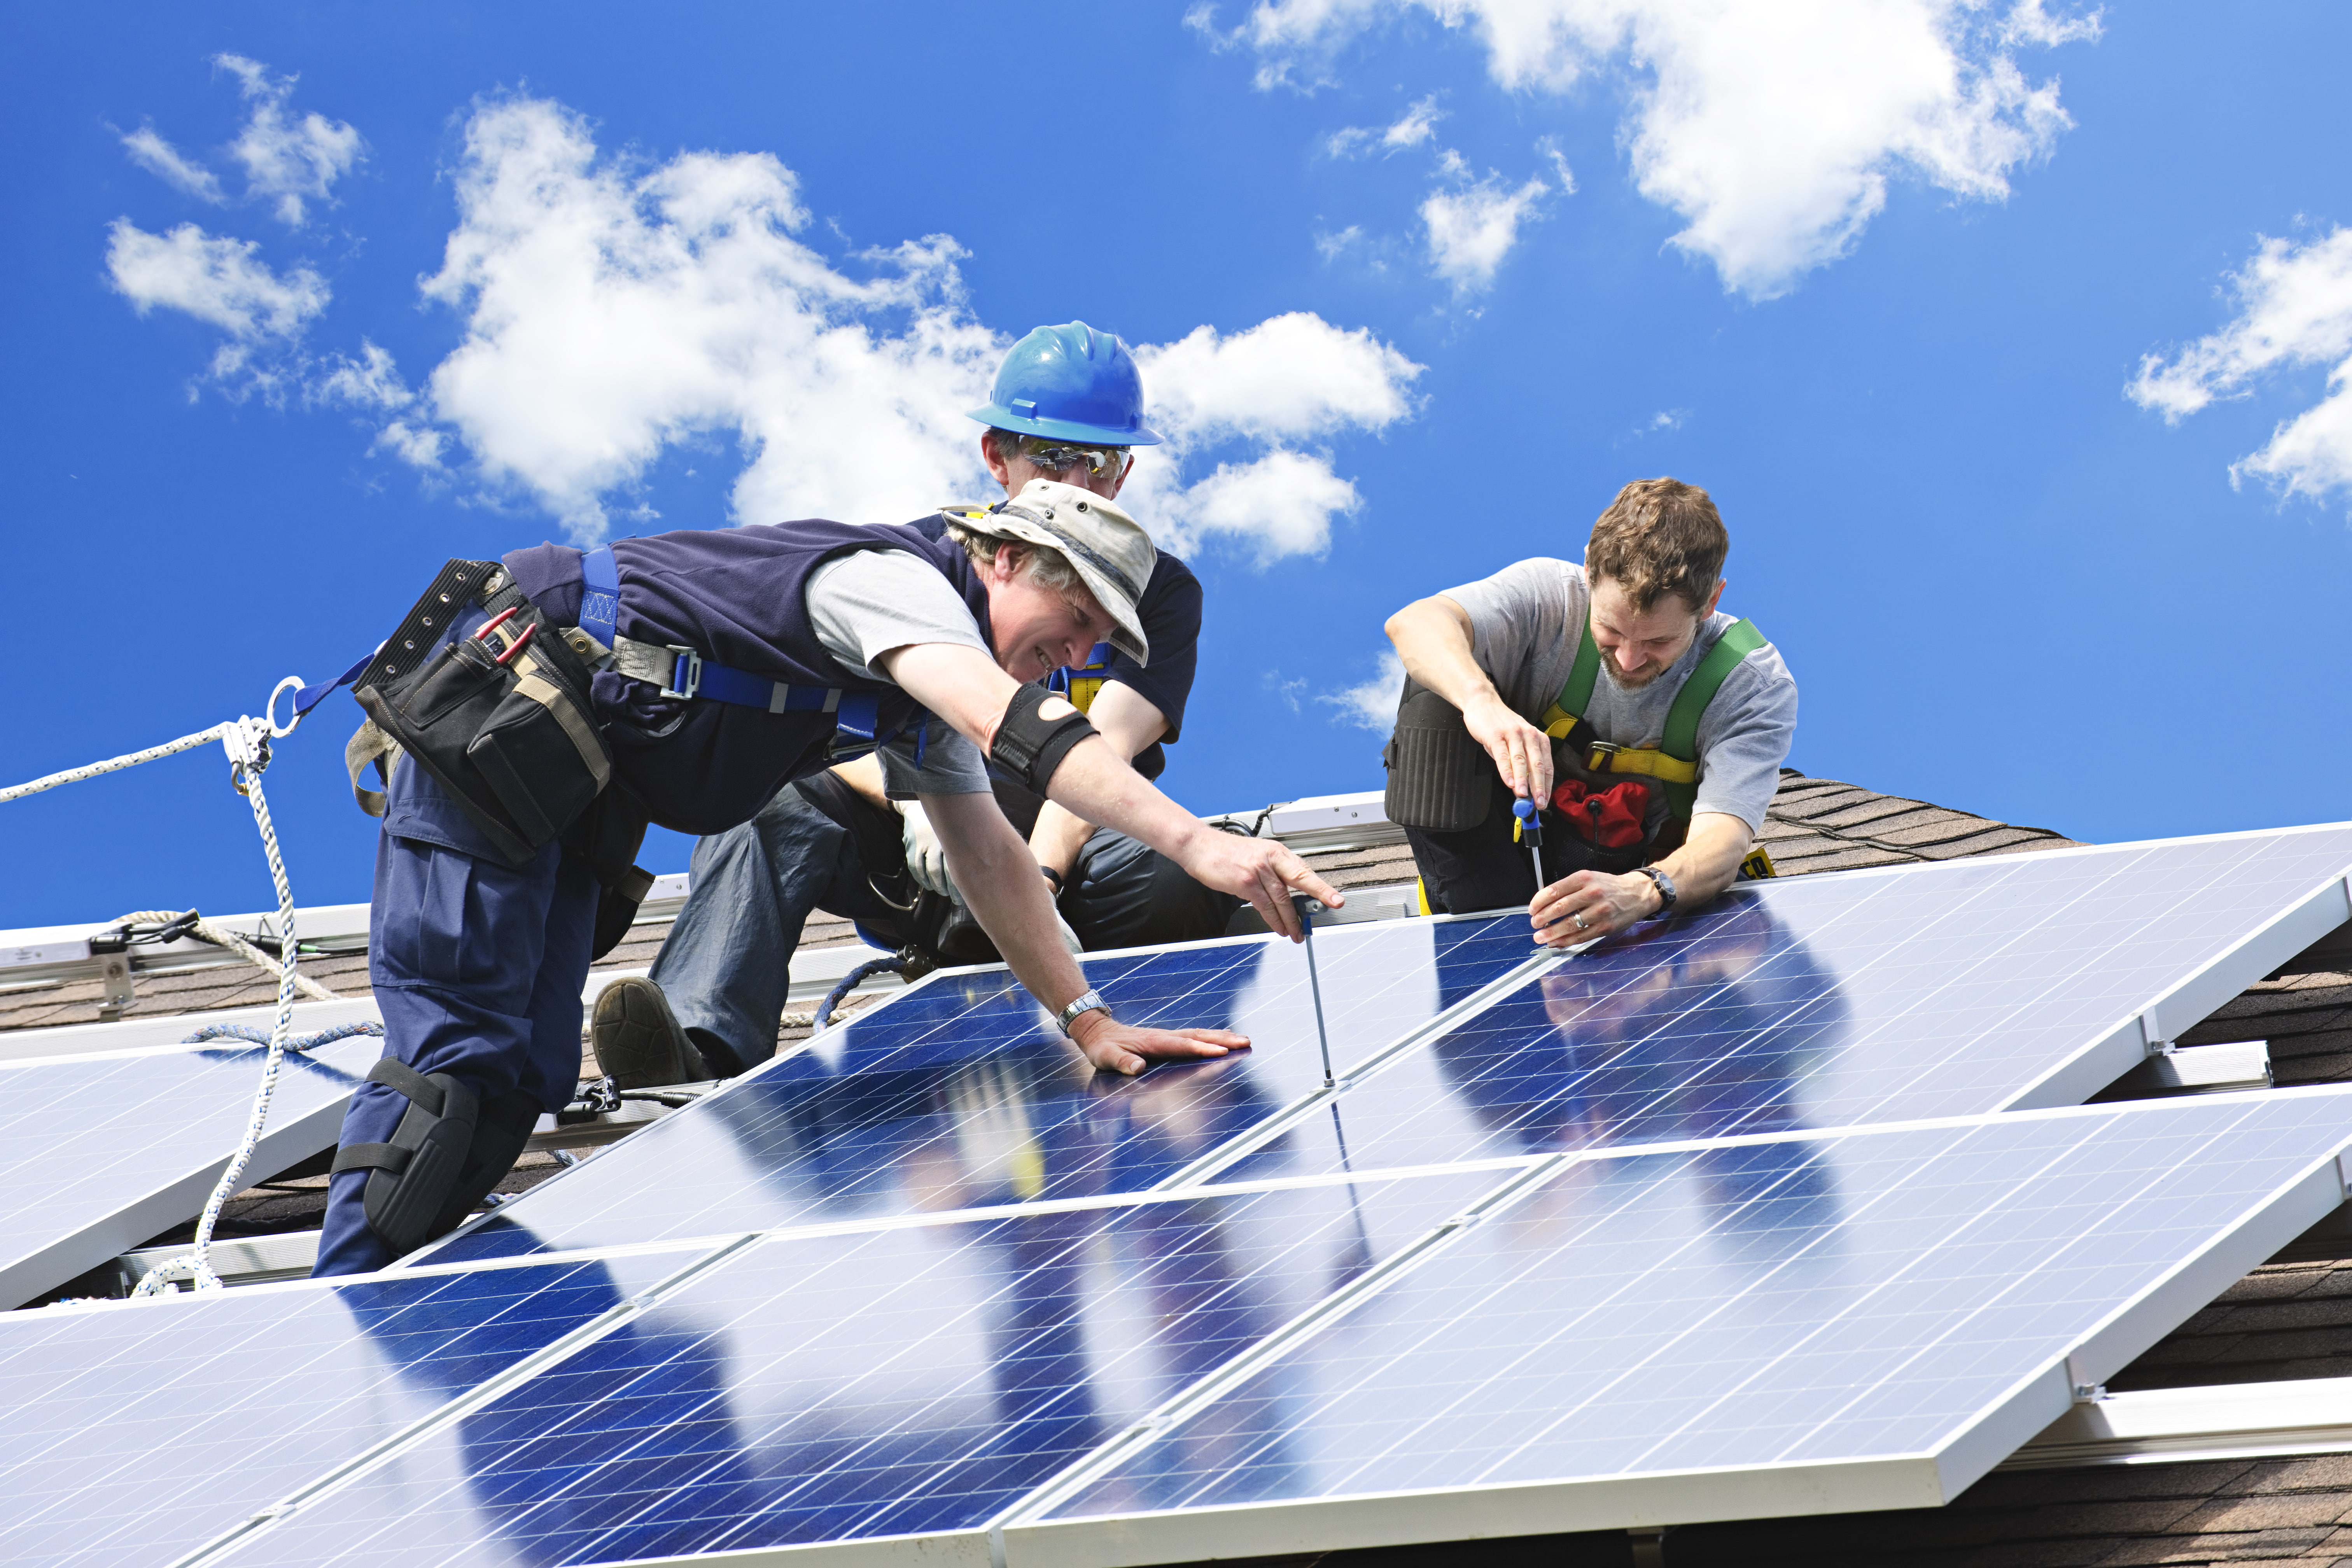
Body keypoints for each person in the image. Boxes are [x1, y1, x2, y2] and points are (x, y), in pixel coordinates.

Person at [313, 462, 1339, 1278]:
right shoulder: (892, 586)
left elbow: (986, 852)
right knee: (459, 1061)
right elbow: (1010, 722)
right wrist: (1199, 843)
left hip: (560, 789)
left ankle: (406, 1320)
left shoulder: (910, 693)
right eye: (1074, 630)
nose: (1071, 661)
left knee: (526, 1075)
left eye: (1095, 650)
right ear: (1013, 563)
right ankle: (345, 1325)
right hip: (495, 723)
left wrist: (1087, 1018)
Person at [601, 322, 1235, 1089]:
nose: (1074, 478)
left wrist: (1039, 874)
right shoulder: (925, 565)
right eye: (1050, 455)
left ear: (1123, 472)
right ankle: (699, 1046)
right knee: (771, 801)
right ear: (996, 459)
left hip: (1065, 849)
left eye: (1094, 460)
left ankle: (1149, 1036)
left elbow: (1107, 747)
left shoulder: (1154, 594)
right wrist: (915, 808)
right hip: (922, 846)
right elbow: (854, 718)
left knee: (1181, 870)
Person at [1380, 476, 1796, 947]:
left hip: (1624, 884)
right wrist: (1482, 704)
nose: (1628, 661)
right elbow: (1415, 622)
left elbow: (1723, 838)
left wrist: (1644, 890)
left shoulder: (1749, 682)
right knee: (1436, 691)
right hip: (1489, 868)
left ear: (1712, 601)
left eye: (1659, 642)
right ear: (1588, 573)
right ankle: (1484, 933)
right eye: (1611, 631)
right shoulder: (1546, 598)